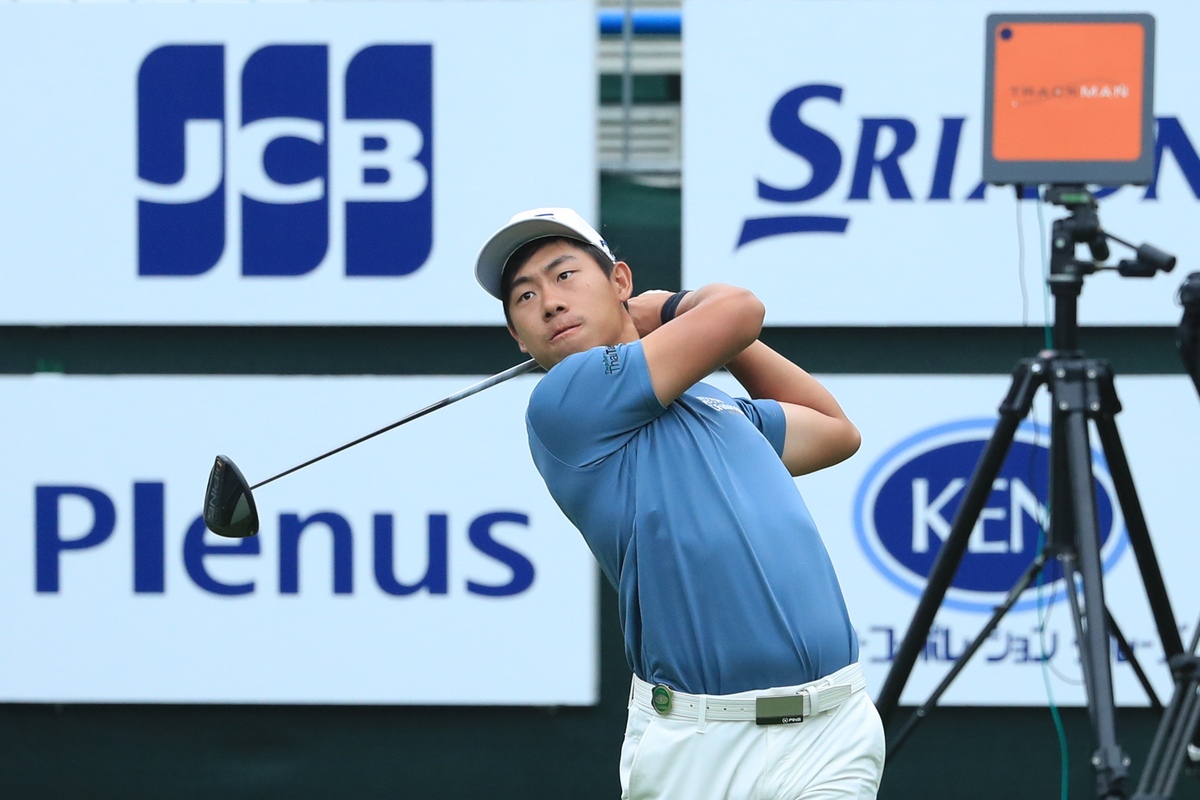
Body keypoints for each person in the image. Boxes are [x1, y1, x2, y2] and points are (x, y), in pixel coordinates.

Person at [474, 208, 884, 799]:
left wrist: (723, 343)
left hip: (832, 726)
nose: (550, 303)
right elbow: (740, 309)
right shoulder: (566, 398)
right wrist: (669, 309)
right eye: (525, 296)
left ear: (619, 280)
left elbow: (835, 430)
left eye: (564, 276)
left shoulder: (712, 405)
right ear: (519, 337)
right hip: (702, 744)